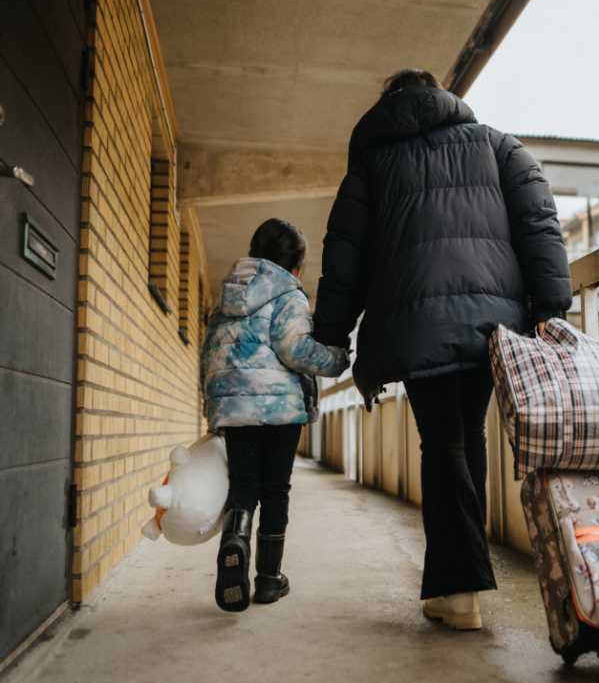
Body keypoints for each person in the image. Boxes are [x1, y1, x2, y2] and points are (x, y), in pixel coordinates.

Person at [312, 70, 572, 630]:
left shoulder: (372, 165)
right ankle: (466, 581)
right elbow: (539, 224)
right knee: (468, 436)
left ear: (390, 104)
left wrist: (331, 333)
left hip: (416, 323)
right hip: (492, 325)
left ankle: (459, 592)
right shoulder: (499, 145)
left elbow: (345, 257)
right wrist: (551, 309)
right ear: (441, 96)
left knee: (442, 442)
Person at [202, 219, 349, 612]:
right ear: (297, 266)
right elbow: (296, 350)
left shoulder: (226, 298)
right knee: (275, 491)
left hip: (234, 409)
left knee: (244, 487)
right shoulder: (289, 294)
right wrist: (337, 359)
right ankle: (268, 580)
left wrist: (214, 409)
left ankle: (235, 541)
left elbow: (210, 355)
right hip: (280, 408)